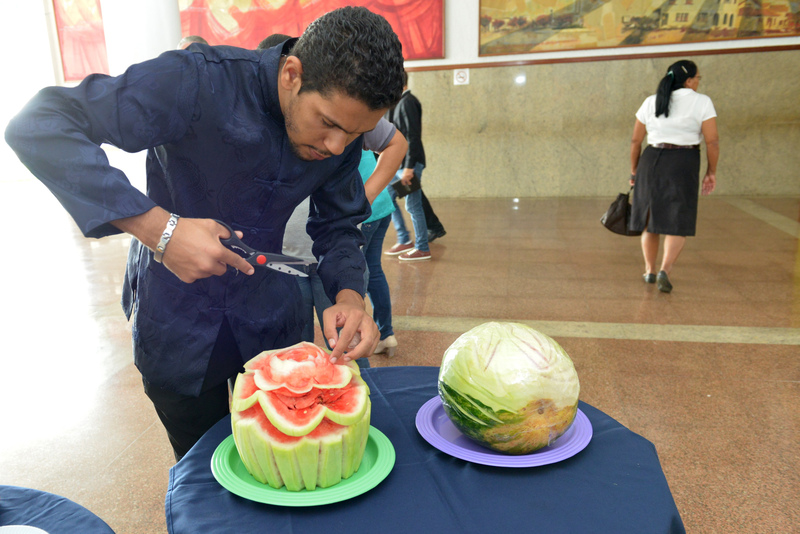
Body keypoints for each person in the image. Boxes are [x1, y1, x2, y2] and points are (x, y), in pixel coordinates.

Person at [5, 6, 405, 460]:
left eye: (354, 135)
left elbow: (338, 224)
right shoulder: (195, 80)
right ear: (292, 74)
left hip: (273, 316)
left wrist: (350, 295)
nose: (336, 147)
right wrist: (160, 230)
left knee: (283, 463)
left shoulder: (341, 135)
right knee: (200, 467)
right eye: (328, 123)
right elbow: (40, 124)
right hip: (178, 319)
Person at [258, 34, 405, 363]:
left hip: (337, 256)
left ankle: (383, 333)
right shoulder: (259, 127)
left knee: (348, 351)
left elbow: (396, 143)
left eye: (348, 134)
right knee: (290, 357)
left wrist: (365, 195)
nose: (336, 145)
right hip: (285, 262)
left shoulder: (343, 109)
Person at [629, 59, 719, 293]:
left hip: (651, 160)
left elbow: (636, 141)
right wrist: (711, 172)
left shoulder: (651, 101)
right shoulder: (702, 102)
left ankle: (649, 270)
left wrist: (634, 171)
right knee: (677, 219)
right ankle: (665, 270)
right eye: (698, 78)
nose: (698, 82)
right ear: (688, 81)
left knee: (650, 219)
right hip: (684, 161)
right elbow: (712, 141)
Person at [384, 71, 435, 261]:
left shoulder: (408, 102)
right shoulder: (400, 102)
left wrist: (409, 167)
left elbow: (413, 137)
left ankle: (422, 248)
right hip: (401, 164)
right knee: (388, 199)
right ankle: (404, 239)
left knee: (413, 206)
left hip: (408, 165)